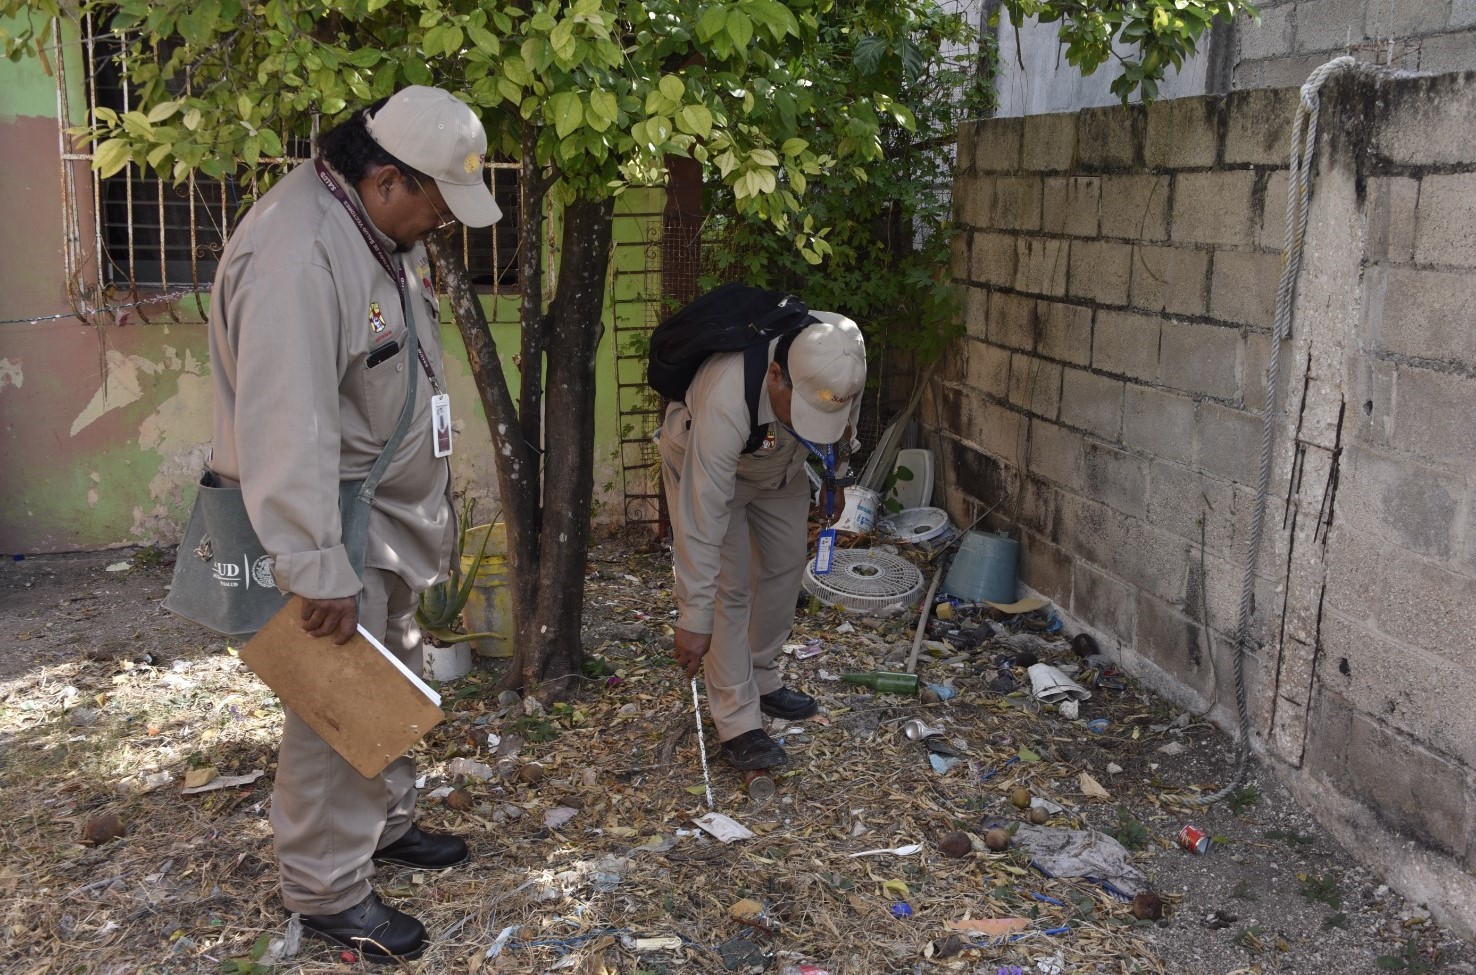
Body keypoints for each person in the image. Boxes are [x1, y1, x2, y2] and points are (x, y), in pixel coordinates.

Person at [206, 86, 501, 961]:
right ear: (384, 179)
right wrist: (312, 563)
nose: (443, 220)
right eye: (437, 202)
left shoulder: (373, 228)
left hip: (380, 514)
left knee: (393, 667)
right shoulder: (297, 254)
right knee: (332, 704)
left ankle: (385, 824)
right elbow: (283, 421)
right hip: (329, 524)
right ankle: (329, 890)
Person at [659, 312, 866, 770]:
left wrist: (835, 476)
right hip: (713, 468)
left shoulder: (844, 352)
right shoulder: (726, 398)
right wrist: (693, 614)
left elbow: (846, 419)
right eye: (806, 409)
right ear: (776, 375)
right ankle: (737, 724)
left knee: (786, 562)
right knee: (728, 589)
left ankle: (762, 675)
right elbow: (702, 519)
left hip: (779, 464)